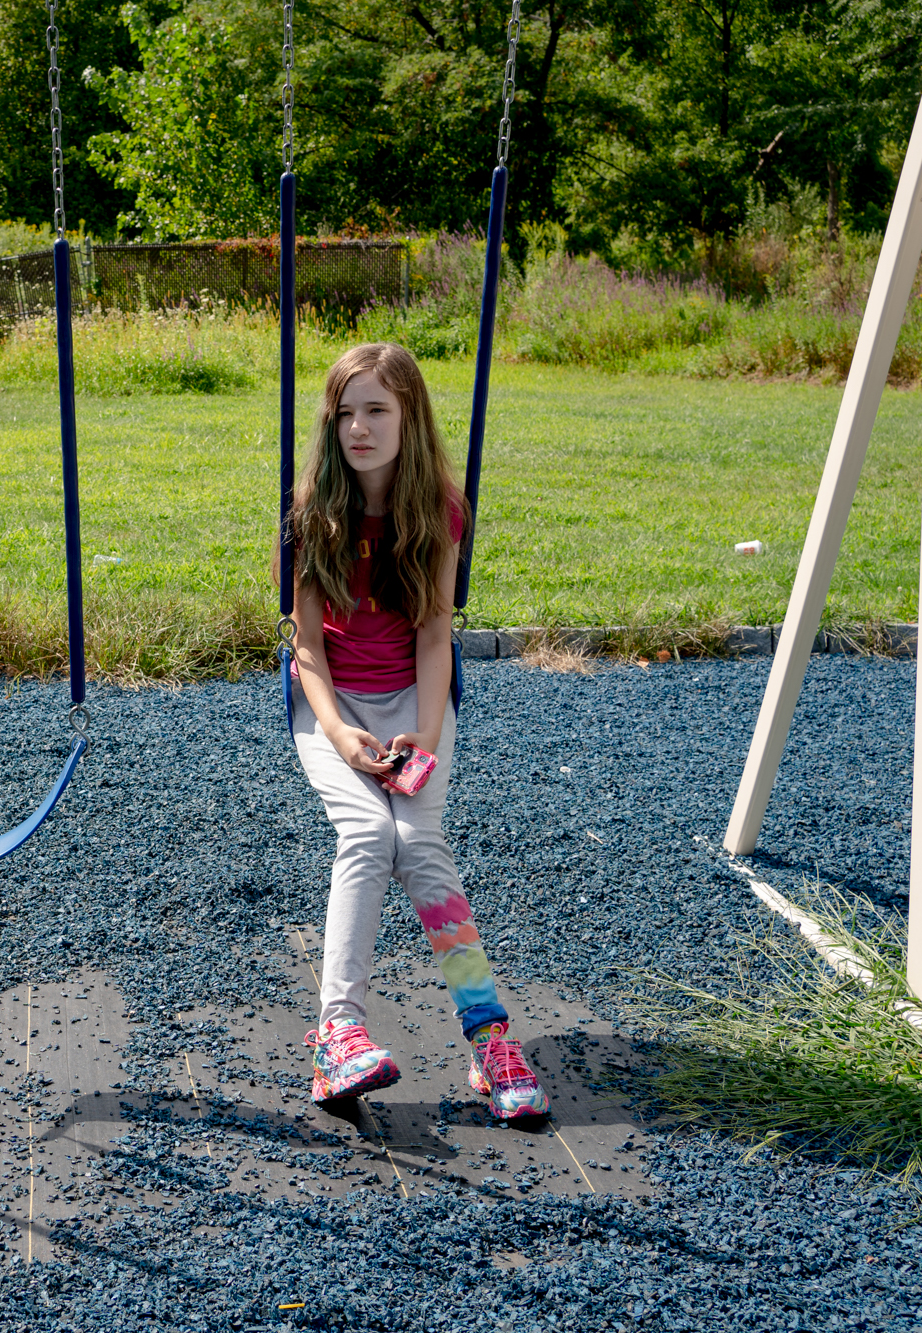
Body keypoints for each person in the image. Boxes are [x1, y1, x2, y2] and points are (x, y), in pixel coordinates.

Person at [280, 342, 547, 1120]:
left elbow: (435, 636)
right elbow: (307, 648)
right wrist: (337, 734)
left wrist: (424, 739)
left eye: (377, 410)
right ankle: (338, 1033)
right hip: (328, 704)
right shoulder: (306, 513)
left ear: (410, 418)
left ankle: (489, 1038)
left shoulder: (440, 509)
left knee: (420, 844)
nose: (357, 428)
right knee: (367, 831)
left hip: (415, 699)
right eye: (344, 413)